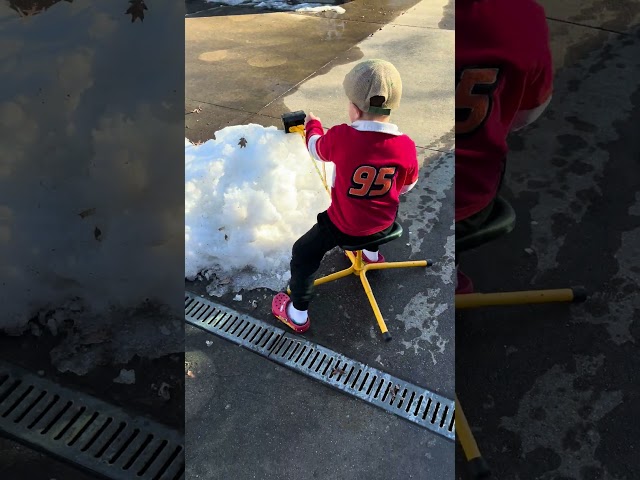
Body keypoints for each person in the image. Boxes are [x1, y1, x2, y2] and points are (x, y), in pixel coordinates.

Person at [272, 59, 420, 333]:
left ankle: (297, 312)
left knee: (303, 253)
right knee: (381, 211)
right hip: (384, 224)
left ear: (353, 107)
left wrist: (314, 125)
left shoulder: (341, 136)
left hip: (343, 227)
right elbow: (407, 187)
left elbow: (316, 149)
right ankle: (372, 255)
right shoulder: (406, 146)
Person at [455, 0, 554, 293]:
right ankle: (449, 274)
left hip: (370, 196)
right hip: (467, 200)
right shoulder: (521, 13)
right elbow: (525, 114)